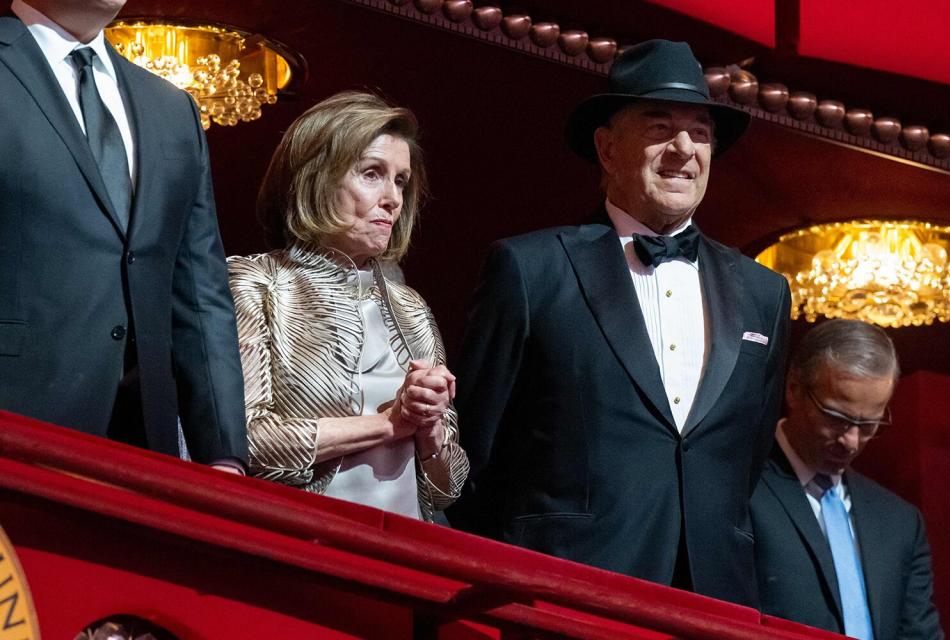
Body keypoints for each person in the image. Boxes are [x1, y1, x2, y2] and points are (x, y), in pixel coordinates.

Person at [446, 39, 792, 606]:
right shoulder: (532, 269)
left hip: (714, 600)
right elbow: (471, 454)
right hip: (562, 594)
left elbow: (745, 461)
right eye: (660, 126)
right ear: (607, 149)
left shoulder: (765, 293)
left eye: (700, 131)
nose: (684, 148)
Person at [0, 0, 247, 471]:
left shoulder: (172, 109)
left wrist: (222, 452)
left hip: (138, 443)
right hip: (16, 424)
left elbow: (199, 290)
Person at [228, 91, 469, 521]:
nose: (393, 199)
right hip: (298, 539)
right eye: (372, 174)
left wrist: (430, 427)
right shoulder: (257, 282)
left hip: (407, 546)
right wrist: (389, 424)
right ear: (315, 179)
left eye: (400, 181)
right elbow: (247, 441)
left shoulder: (410, 307)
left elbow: (448, 488)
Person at [750, 319, 943, 639]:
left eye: (869, 424)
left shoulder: (901, 523)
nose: (851, 441)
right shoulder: (741, 489)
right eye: (836, 418)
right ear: (794, 389)